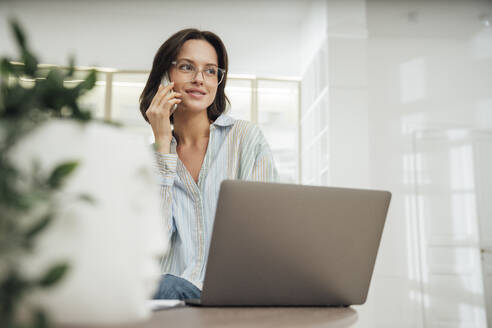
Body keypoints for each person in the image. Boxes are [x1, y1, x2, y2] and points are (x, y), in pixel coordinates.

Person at [139, 28, 279, 300]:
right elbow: (150, 244)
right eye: (187, 67)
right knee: (156, 284)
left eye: (211, 71)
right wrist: (162, 144)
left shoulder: (245, 139)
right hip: (170, 294)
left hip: (235, 291)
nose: (199, 79)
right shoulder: (149, 160)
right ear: (164, 76)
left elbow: (267, 230)